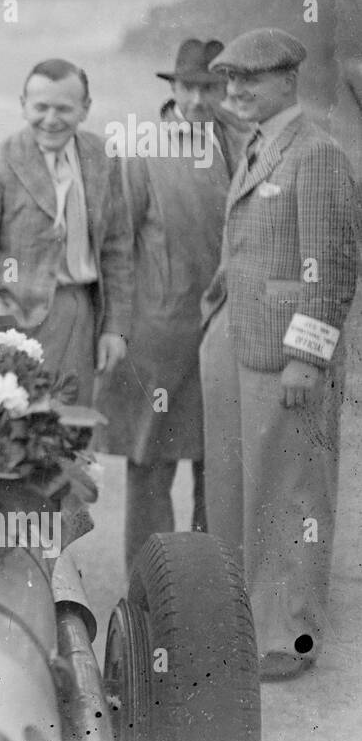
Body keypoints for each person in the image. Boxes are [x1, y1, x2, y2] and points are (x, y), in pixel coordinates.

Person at [198, 28, 357, 681]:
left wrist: (308, 357)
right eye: (229, 80)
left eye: (251, 80)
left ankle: (290, 637)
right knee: (237, 491)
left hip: (284, 359)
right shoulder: (260, 144)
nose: (236, 91)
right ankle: (248, 624)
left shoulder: (315, 152)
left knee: (291, 494)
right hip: (238, 342)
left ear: (288, 80)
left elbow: (335, 266)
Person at [96, 39, 243, 572]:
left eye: (211, 87)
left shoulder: (243, 140)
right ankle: (148, 593)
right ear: (174, 89)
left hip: (228, 331)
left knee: (220, 468)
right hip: (160, 333)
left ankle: (213, 589)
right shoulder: (142, 149)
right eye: (190, 87)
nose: (201, 99)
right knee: (152, 464)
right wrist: (115, 326)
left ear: (226, 87)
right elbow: (116, 244)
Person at [0, 59, 131, 406]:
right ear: (23, 105)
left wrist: (115, 328)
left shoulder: (102, 158)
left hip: (81, 317)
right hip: (11, 324)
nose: (51, 120)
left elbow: (117, 250)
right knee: (15, 434)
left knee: (72, 429)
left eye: (64, 109)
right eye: (40, 107)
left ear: (85, 109)